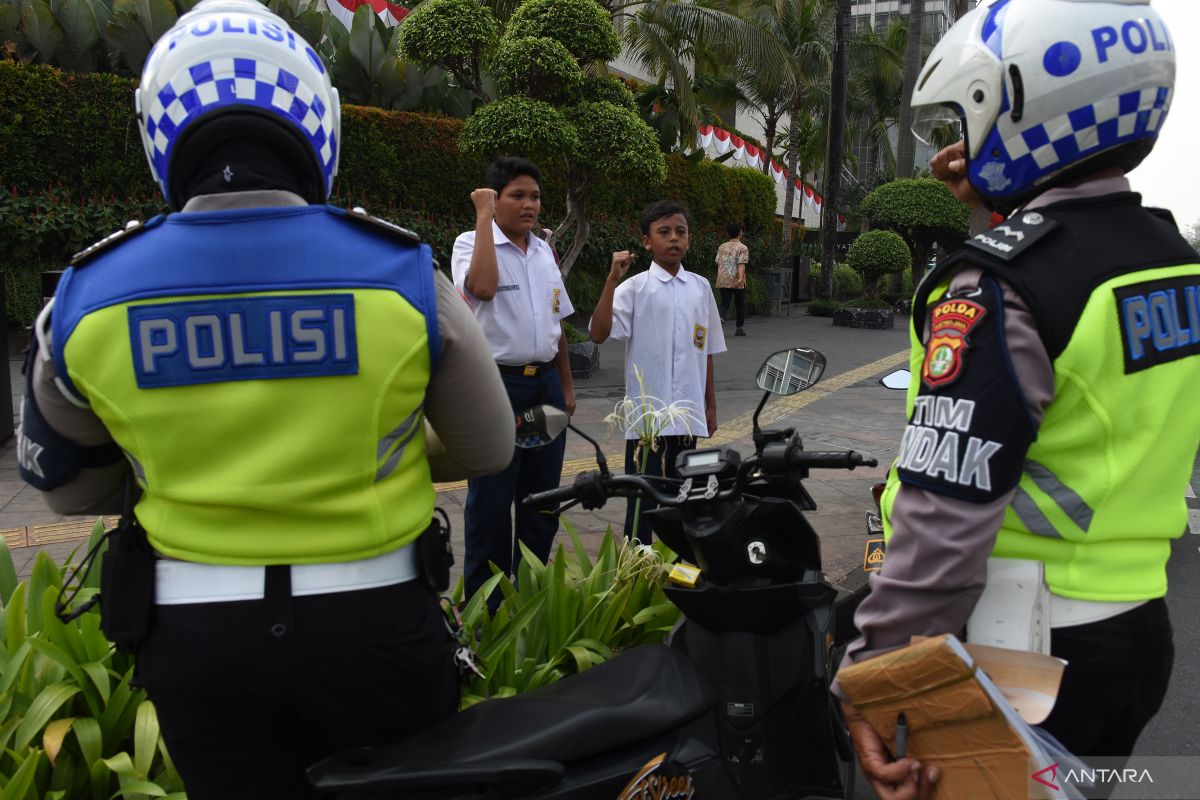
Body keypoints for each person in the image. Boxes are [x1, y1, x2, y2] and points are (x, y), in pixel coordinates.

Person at [14, 1, 515, 796]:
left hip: (197, 638)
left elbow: (65, 483)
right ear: (316, 120)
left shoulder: (89, 297)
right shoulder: (403, 276)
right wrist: (382, 448)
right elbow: (488, 448)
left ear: (162, 131)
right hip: (378, 622)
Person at [836, 2, 1198, 799]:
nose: (955, 147)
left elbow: (946, 506)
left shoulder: (1004, 283)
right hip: (1137, 631)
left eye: (970, 117)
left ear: (1028, 111)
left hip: (1025, 647)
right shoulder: (1172, 261)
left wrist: (874, 670)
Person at [451, 157, 576, 602]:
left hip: (543, 384)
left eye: (535, 196)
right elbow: (482, 288)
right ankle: (487, 606)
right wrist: (483, 218)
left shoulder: (544, 251)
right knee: (490, 500)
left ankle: (532, 596)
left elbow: (557, 322)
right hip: (496, 387)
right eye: (517, 195)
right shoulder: (470, 242)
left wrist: (566, 385)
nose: (530, 205)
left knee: (542, 499)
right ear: (493, 198)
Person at [589, 200, 726, 543]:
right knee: (644, 500)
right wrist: (611, 279)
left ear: (689, 239)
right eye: (664, 232)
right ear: (647, 241)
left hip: (687, 415)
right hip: (647, 420)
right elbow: (598, 332)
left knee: (686, 496)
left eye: (681, 232)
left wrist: (710, 405)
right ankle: (637, 566)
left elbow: (706, 349)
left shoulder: (700, 287)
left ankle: (680, 565)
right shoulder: (634, 289)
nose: (674, 239)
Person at [715, 223, 749, 335]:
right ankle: (739, 329)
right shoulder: (743, 248)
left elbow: (718, 262)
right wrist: (740, 278)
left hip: (723, 279)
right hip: (736, 280)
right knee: (740, 304)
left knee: (724, 303)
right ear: (740, 233)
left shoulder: (721, 246)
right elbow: (741, 264)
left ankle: (721, 318)